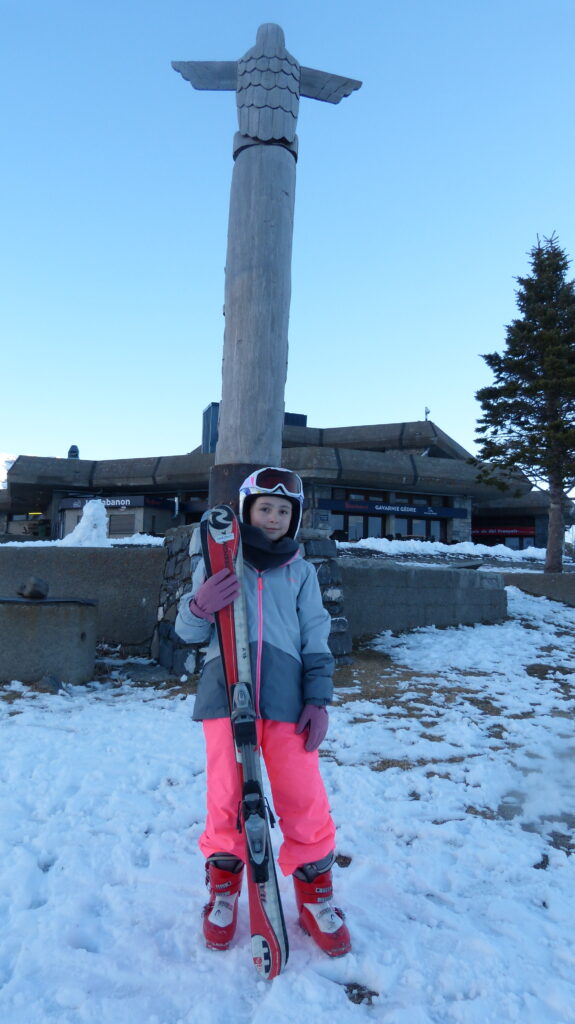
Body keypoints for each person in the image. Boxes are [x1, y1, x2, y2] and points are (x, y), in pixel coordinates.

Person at [175, 467, 351, 958]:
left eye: (283, 510)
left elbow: (316, 638)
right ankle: (224, 890)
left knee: (304, 797)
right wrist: (199, 606)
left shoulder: (301, 572)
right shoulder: (220, 561)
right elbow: (187, 634)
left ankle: (315, 897)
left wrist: (317, 699)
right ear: (246, 511)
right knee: (226, 797)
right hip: (224, 697)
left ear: (294, 518)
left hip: (286, 702)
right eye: (264, 508)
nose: (273, 517)